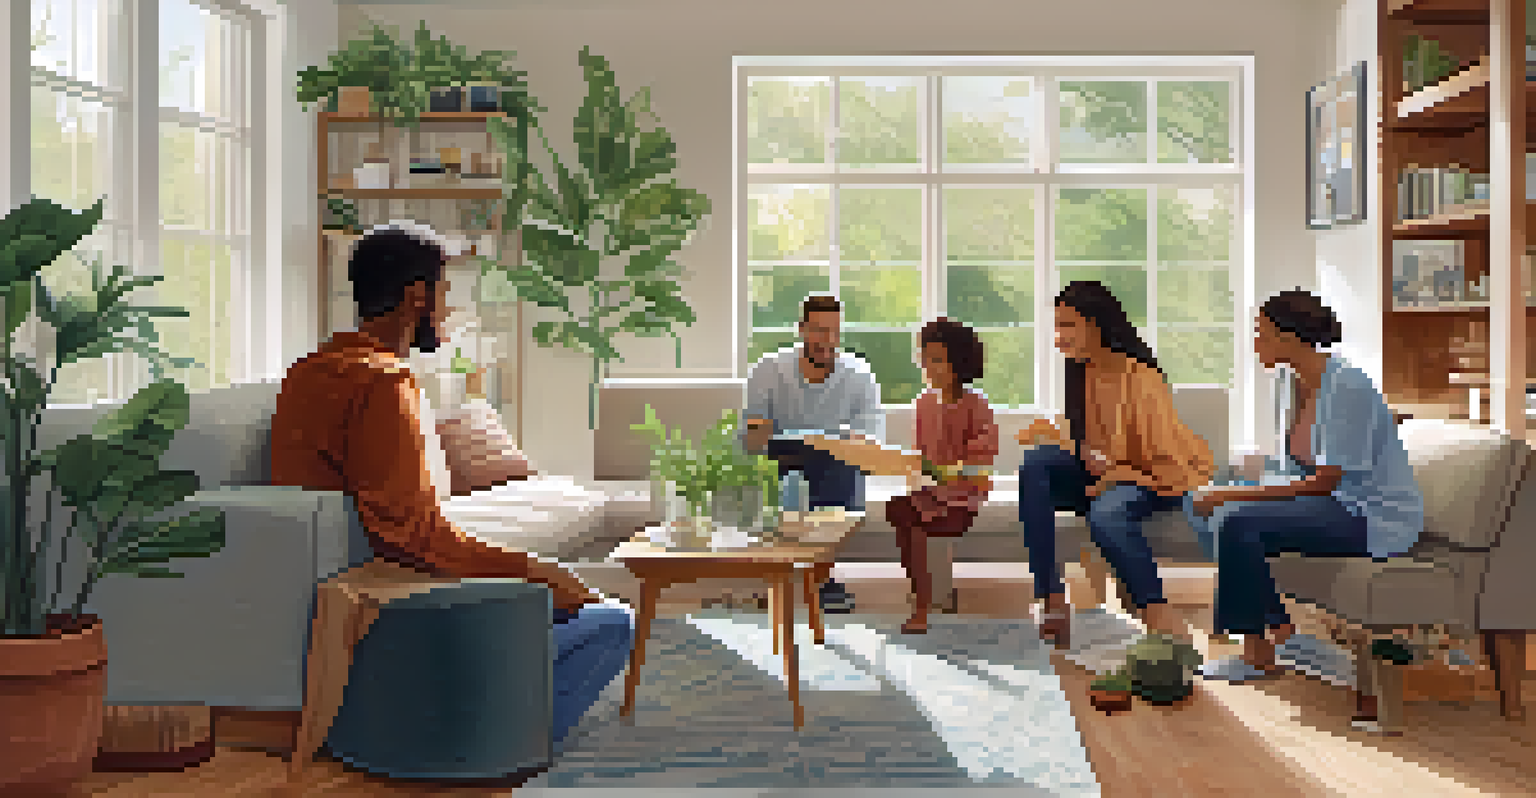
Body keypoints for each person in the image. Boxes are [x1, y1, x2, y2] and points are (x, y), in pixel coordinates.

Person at [269, 222, 633, 749]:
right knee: (610, 621)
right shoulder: (383, 383)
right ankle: (495, 741)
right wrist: (540, 572)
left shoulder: (307, 372)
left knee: (553, 611)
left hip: (342, 592)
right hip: (394, 597)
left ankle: (481, 702)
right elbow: (415, 537)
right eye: (443, 294)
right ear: (417, 296)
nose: (445, 309)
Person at [1190, 290, 1423, 691]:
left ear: (1290, 337)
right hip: (1326, 503)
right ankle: (1281, 627)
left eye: (1262, 333)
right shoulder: (1289, 382)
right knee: (1202, 505)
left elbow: (1324, 482)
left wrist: (1232, 496)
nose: (1256, 342)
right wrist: (1231, 487)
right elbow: (1293, 470)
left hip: (1366, 513)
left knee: (1236, 520)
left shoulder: (1347, 386)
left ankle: (1258, 651)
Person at [1018, 281, 1215, 650]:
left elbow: (1164, 467)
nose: (1059, 338)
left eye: (1068, 326)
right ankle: (1051, 596)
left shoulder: (1142, 378)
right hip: (1106, 474)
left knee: (1107, 514)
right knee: (1035, 463)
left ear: (1098, 325)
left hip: (1153, 477)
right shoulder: (1080, 370)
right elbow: (1093, 445)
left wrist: (1109, 479)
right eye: (1056, 327)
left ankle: (1158, 615)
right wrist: (1063, 441)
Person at [743, 293, 884, 613]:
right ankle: (780, 573)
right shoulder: (768, 370)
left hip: (835, 462)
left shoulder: (859, 375)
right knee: (782, 470)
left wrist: (840, 444)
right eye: (819, 331)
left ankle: (821, 577)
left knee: (841, 464)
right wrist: (770, 437)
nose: (828, 341)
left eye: (834, 332)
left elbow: (870, 439)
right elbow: (752, 440)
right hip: (779, 461)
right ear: (802, 330)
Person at [887, 318, 999, 635]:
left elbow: (981, 467)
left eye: (937, 360)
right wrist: (914, 473)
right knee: (900, 510)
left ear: (958, 362)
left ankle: (923, 605)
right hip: (930, 491)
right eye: (925, 359)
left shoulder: (976, 405)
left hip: (964, 494)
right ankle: (925, 599)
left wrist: (943, 474)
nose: (928, 367)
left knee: (916, 520)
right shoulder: (923, 403)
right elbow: (919, 457)